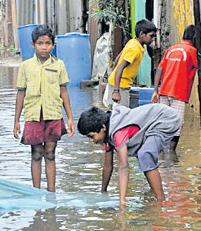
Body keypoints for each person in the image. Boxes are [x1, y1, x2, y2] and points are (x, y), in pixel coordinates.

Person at [78, 104, 183, 205]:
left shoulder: (118, 132)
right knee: (144, 155)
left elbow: (123, 167)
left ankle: (160, 201)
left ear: (103, 127)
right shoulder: (107, 134)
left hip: (166, 119)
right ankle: (153, 192)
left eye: (91, 136)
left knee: (145, 154)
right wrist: (103, 192)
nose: (90, 140)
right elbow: (107, 166)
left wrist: (122, 200)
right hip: (153, 122)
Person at [13, 25, 75, 192]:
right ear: (33, 44)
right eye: (40, 43)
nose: (44, 47)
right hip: (33, 115)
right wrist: (16, 121)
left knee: (50, 153)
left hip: (53, 114)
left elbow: (63, 91)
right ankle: (36, 191)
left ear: (53, 45)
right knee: (36, 153)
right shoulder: (26, 66)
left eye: (48, 43)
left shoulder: (59, 65)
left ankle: (51, 192)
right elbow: (21, 93)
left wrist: (69, 117)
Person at [152, 25, 199, 151]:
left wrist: (156, 90)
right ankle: (172, 154)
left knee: (163, 122)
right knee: (177, 124)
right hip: (178, 94)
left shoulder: (171, 49)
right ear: (195, 37)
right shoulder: (192, 51)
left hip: (163, 92)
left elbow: (160, 69)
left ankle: (161, 152)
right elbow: (197, 67)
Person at [104, 19, 158, 107]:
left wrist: (111, 76)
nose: (152, 39)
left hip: (117, 83)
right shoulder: (135, 49)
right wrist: (116, 91)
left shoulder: (133, 42)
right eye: (151, 36)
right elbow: (120, 67)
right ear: (142, 34)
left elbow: (118, 58)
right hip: (120, 86)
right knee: (122, 115)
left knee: (117, 114)